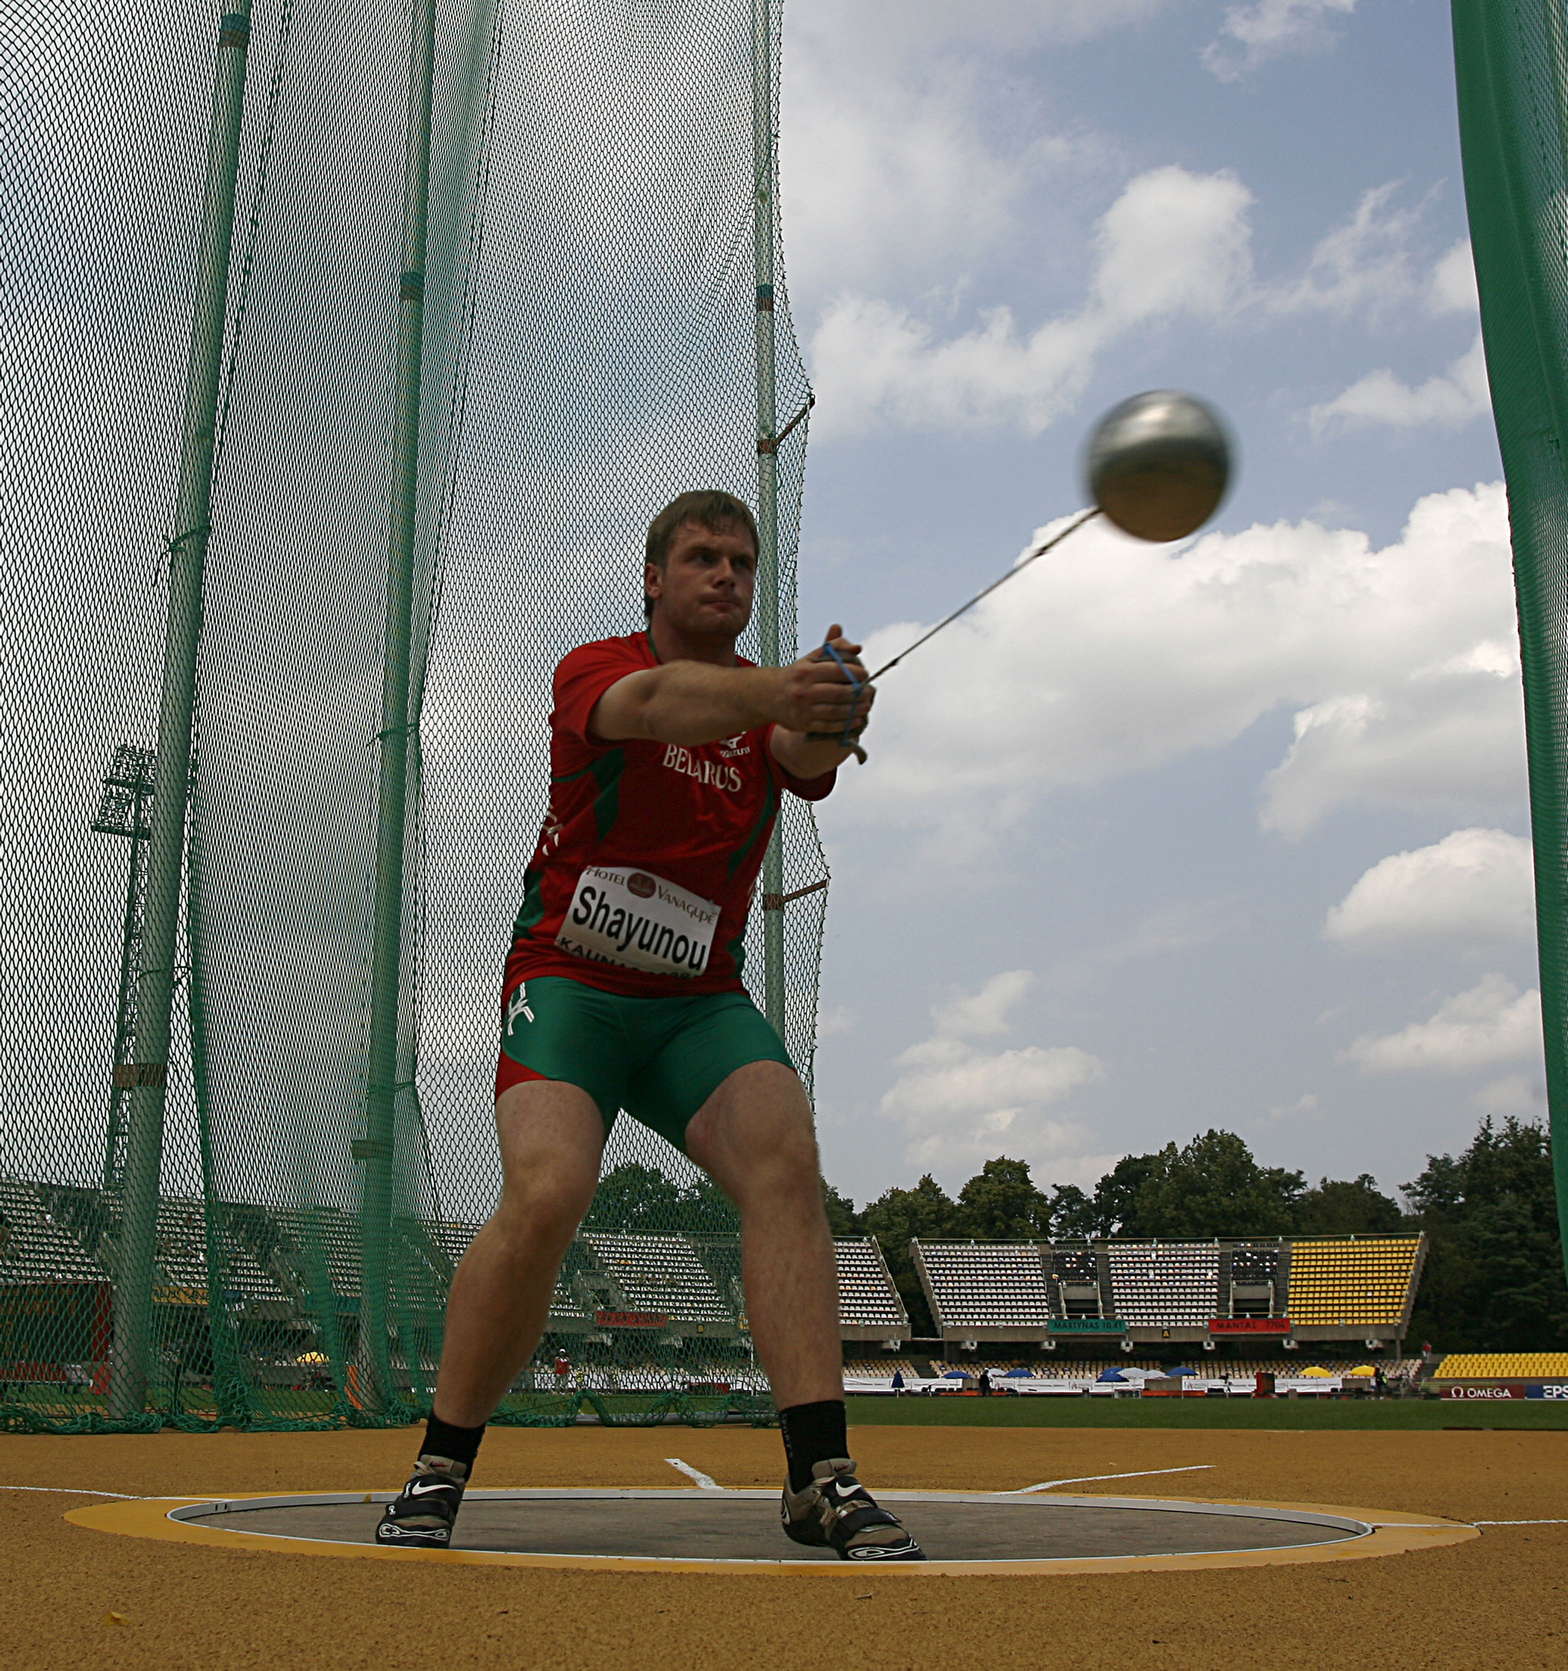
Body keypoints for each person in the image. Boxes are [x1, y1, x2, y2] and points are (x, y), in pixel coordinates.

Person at [376, 490, 922, 1561]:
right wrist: (785, 689)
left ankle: (820, 1477)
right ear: (654, 578)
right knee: (547, 1192)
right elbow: (665, 705)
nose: (726, 575)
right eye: (703, 557)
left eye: (742, 563)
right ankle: (440, 1464)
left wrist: (832, 712)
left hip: (695, 1005)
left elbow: (805, 760)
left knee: (786, 1162)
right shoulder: (598, 668)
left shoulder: (763, 707)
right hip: (571, 984)